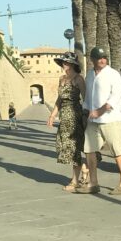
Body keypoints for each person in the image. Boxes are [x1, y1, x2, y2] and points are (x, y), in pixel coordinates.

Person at [82, 47, 121, 195]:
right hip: (93, 121)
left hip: (111, 119)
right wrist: (85, 111)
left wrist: (100, 110)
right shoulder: (89, 75)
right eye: (99, 57)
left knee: (117, 150)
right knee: (90, 150)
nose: (102, 60)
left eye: (104, 57)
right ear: (92, 59)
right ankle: (93, 183)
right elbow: (88, 97)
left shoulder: (113, 74)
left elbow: (116, 96)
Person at [46, 52, 86, 192]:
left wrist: (87, 118)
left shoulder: (78, 79)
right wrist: (52, 116)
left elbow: (86, 99)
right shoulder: (62, 79)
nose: (63, 64)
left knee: (74, 147)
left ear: (72, 64)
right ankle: (84, 170)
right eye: (63, 62)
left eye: (66, 62)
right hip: (64, 118)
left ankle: (75, 181)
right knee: (66, 147)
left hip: (75, 116)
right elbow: (59, 99)